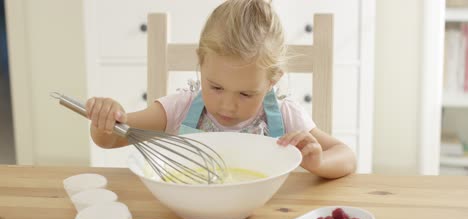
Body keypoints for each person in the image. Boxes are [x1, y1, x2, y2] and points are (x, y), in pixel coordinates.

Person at [85, 0, 356, 179]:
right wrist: (106, 118)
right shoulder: (179, 108)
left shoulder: (285, 116)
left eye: (246, 94)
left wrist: (317, 163)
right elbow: (111, 139)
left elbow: (346, 157)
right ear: (201, 64)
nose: (227, 105)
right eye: (215, 87)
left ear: (272, 81)